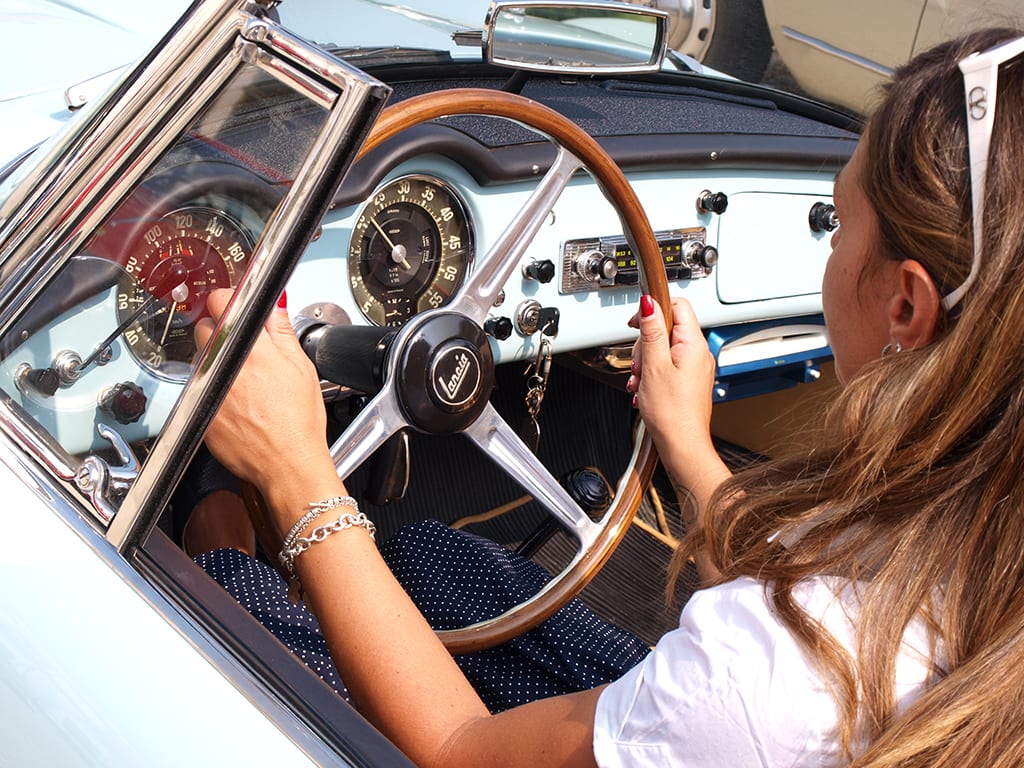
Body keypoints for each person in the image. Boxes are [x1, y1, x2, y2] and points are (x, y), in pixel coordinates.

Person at [187, 27, 1024, 767]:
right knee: (432, 561)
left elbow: (456, 751)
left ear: (906, 306)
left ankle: (217, 539)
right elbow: (783, 578)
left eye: (838, 224)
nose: (831, 248)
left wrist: (295, 473)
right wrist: (687, 443)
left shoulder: (772, 688)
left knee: (230, 597)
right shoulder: (967, 508)